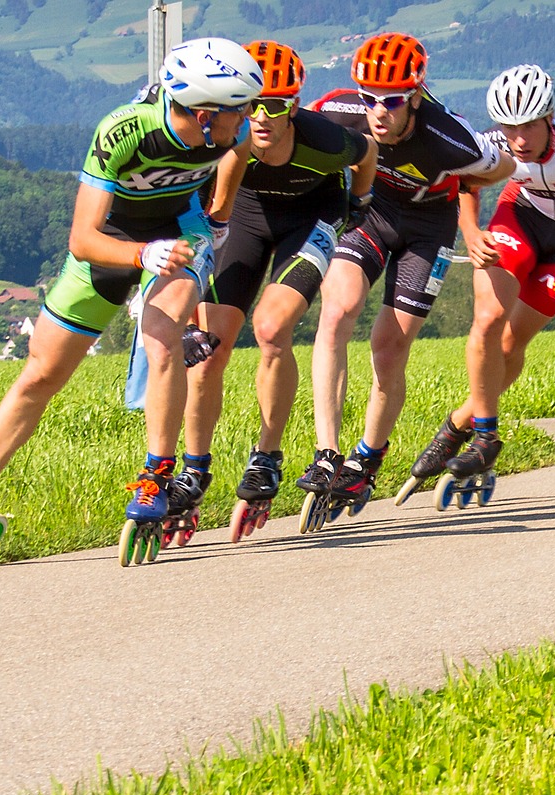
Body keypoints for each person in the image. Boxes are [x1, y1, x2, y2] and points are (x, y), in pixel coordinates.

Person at [0, 38, 260, 554]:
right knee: (40, 374)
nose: (248, 117)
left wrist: (219, 215)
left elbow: (239, 150)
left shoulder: (232, 129)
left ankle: (156, 474)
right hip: (112, 241)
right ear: (203, 115)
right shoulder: (125, 131)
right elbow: (82, 240)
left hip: (181, 231)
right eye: (237, 108)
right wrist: (139, 256)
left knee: (161, 338)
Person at [399, 63, 555, 505]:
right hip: (518, 221)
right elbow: (467, 179)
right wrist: (471, 230)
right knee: (488, 320)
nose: (518, 139)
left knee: (510, 348)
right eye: (508, 127)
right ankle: (486, 436)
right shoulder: (497, 145)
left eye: (528, 127)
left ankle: (457, 425)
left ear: (549, 117)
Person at [299, 33, 515, 519]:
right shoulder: (339, 110)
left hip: (428, 229)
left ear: (415, 97)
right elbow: (295, 132)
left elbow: (503, 164)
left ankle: (367, 460)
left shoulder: (447, 136)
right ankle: (327, 454)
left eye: (392, 101)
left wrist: (464, 180)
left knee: (389, 346)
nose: (378, 111)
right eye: (370, 99)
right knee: (336, 312)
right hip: (372, 215)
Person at [176, 40, 378, 541]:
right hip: (245, 218)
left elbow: (368, 153)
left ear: (294, 106)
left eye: (276, 106)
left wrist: (361, 201)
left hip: (309, 220)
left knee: (270, 329)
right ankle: (194, 469)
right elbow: (206, 203)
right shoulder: (222, 137)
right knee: (207, 350)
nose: (261, 116)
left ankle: (266, 457)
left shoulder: (324, 140)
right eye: (252, 104)